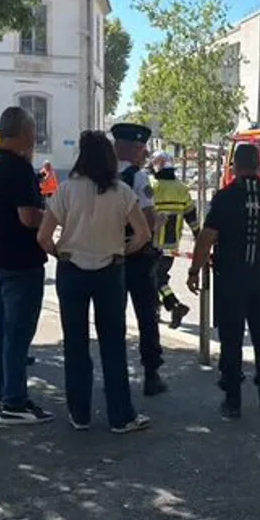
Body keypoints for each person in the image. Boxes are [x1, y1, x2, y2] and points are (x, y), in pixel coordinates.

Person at [36, 131, 153, 433]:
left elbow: (43, 236)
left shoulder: (65, 191)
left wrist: (59, 252)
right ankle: (121, 416)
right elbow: (143, 234)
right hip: (110, 271)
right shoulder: (122, 191)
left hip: (72, 270)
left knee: (75, 344)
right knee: (113, 344)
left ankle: (80, 414)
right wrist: (123, 252)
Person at [187, 144, 260, 419]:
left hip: (230, 277)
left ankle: (232, 400)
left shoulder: (226, 197)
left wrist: (194, 270)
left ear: (235, 166)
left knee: (231, 337)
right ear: (259, 165)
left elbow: (207, 237)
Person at [0, 106, 52, 425]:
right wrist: (54, 219)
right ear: (25, 134)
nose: (35, 138)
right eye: (33, 132)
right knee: (17, 334)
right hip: (20, 261)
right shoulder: (19, 169)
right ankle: (15, 403)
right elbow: (28, 217)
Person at [110, 122, 168, 396]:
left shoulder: (101, 176)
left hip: (108, 255)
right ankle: (151, 374)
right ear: (133, 148)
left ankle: (116, 372)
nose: (145, 155)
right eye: (143, 149)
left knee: (113, 317)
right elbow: (146, 221)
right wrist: (158, 220)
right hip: (137, 256)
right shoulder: (139, 178)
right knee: (146, 315)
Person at [150, 151, 200, 328]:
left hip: (151, 242)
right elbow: (191, 215)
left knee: (154, 279)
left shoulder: (152, 185)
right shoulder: (182, 188)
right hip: (171, 244)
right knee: (159, 278)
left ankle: (172, 306)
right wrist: (197, 235)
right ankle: (161, 309)